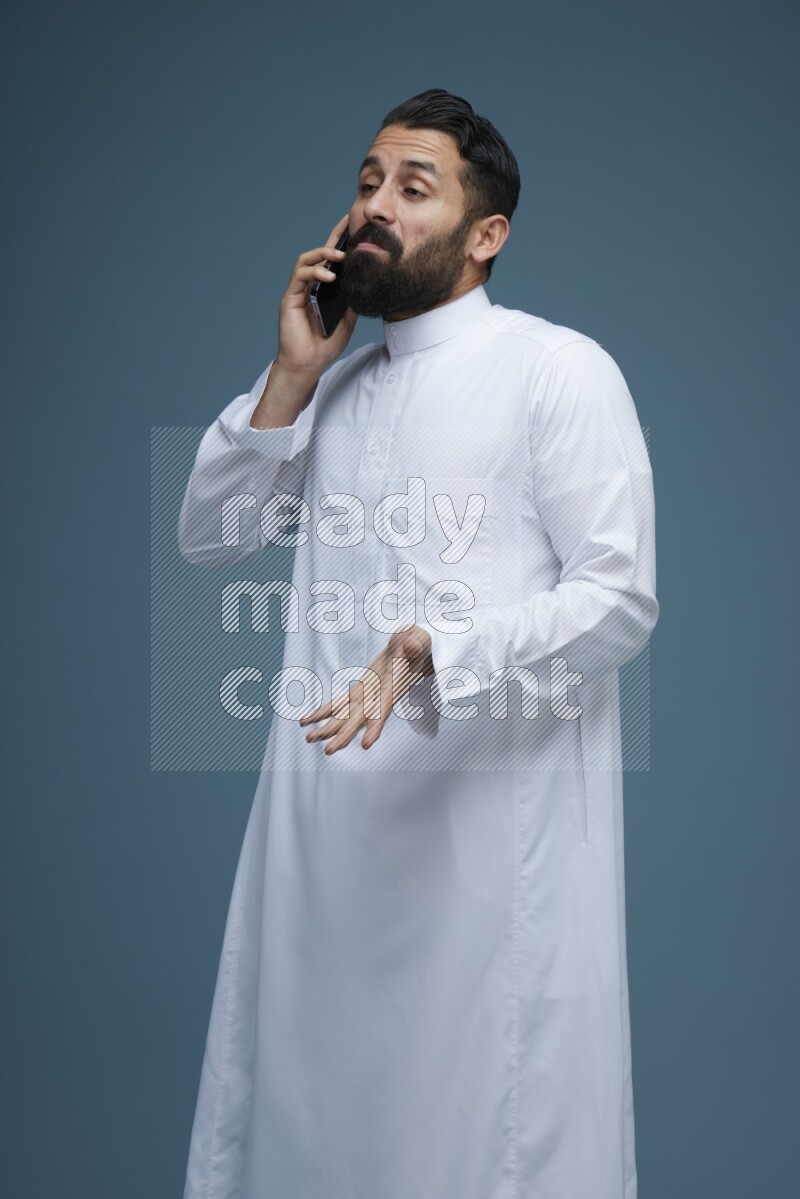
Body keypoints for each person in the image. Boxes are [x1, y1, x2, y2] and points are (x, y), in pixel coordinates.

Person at [178, 87, 658, 1199]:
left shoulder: (556, 369)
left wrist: (430, 648)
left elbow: (619, 598)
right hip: (321, 849)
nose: (372, 206)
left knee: (476, 1139)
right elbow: (209, 537)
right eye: (364, 181)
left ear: (486, 235)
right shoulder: (336, 391)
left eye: (411, 185)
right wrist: (291, 371)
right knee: (307, 1135)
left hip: (486, 854)